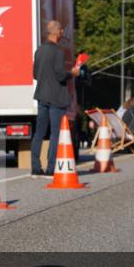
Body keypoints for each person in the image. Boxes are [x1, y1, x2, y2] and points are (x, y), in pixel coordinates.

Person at [30, 21, 82, 177]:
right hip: (56, 97)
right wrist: (72, 73)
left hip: (41, 96)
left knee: (39, 133)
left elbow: (35, 75)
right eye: (61, 30)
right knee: (55, 133)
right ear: (55, 32)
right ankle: (51, 168)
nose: (62, 32)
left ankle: (35, 167)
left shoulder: (39, 50)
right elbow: (60, 75)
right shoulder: (58, 52)